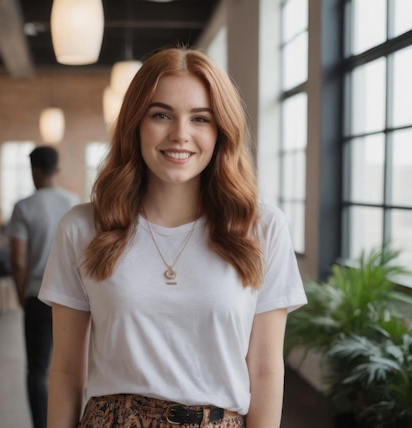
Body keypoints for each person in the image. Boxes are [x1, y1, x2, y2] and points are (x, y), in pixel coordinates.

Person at [38, 47, 307, 428]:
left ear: (221, 131)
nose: (180, 134)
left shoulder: (260, 228)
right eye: (161, 115)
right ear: (135, 123)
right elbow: (66, 370)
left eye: (200, 118)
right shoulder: (82, 228)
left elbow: (265, 371)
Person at [7, 146, 80, 428]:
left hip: (37, 295)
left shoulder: (23, 207)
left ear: (34, 170)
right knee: (73, 366)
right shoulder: (74, 202)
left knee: (38, 368)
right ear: (57, 169)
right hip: (74, 297)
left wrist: (20, 293)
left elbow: (18, 260)